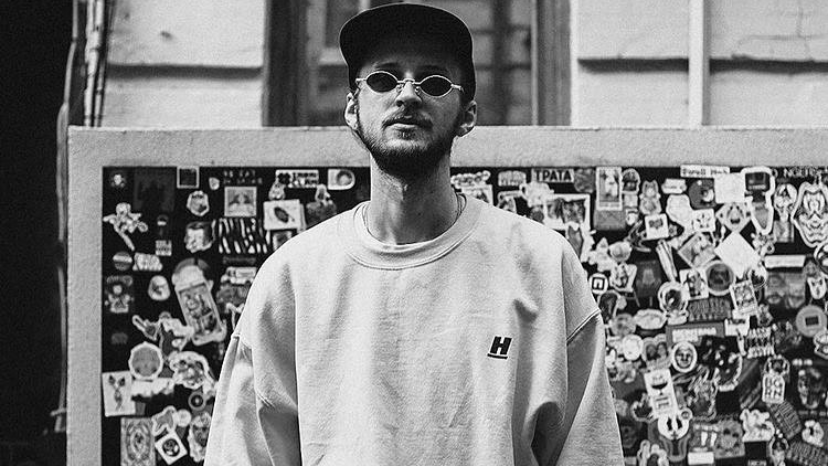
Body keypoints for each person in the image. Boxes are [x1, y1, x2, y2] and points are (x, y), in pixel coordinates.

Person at [205, 4, 623, 465]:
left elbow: (590, 452)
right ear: (352, 107)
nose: (407, 94)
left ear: (467, 114)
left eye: (434, 81)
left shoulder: (541, 266)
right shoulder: (294, 279)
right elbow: (243, 453)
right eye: (384, 79)